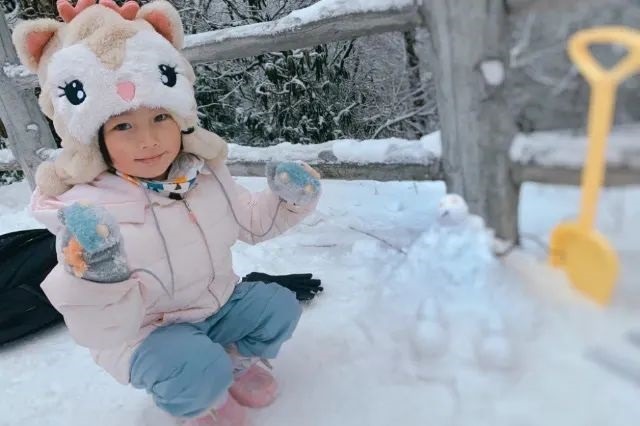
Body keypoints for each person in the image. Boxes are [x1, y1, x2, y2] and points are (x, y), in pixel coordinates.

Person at [12, 1, 322, 425]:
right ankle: (195, 402)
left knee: (277, 306)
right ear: (93, 141)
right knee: (192, 369)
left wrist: (289, 198)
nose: (149, 140)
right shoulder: (86, 211)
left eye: (160, 116)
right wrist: (99, 275)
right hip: (146, 334)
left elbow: (250, 220)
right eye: (123, 126)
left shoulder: (201, 175)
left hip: (214, 307)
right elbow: (94, 326)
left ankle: (230, 360)